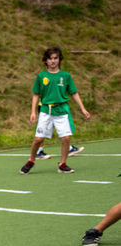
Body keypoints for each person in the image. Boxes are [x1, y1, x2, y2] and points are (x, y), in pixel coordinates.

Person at [20, 46, 90, 174]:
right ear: (45, 61)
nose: (53, 61)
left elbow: (74, 93)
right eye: (50, 58)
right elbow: (36, 94)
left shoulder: (65, 75)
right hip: (46, 111)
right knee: (38, 139)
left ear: (59, 59)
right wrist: (33, 112)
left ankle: (62, 164)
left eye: (55, 58)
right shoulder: (41, 76)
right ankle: (31, 160)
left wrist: (83, 109)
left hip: (62, 111)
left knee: (66, 138)